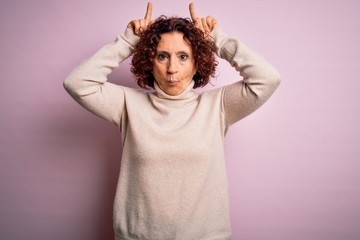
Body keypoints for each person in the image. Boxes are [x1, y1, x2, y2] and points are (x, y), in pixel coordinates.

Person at [64, 2, 281, 239]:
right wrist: (128, 42)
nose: (172, 69)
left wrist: (218, 39)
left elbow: (267, 79)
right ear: (150, 61)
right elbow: (77, 83)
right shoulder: (127, 104)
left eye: (183, 56)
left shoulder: (218, 106)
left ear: (197, 62)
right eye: (162, 56)